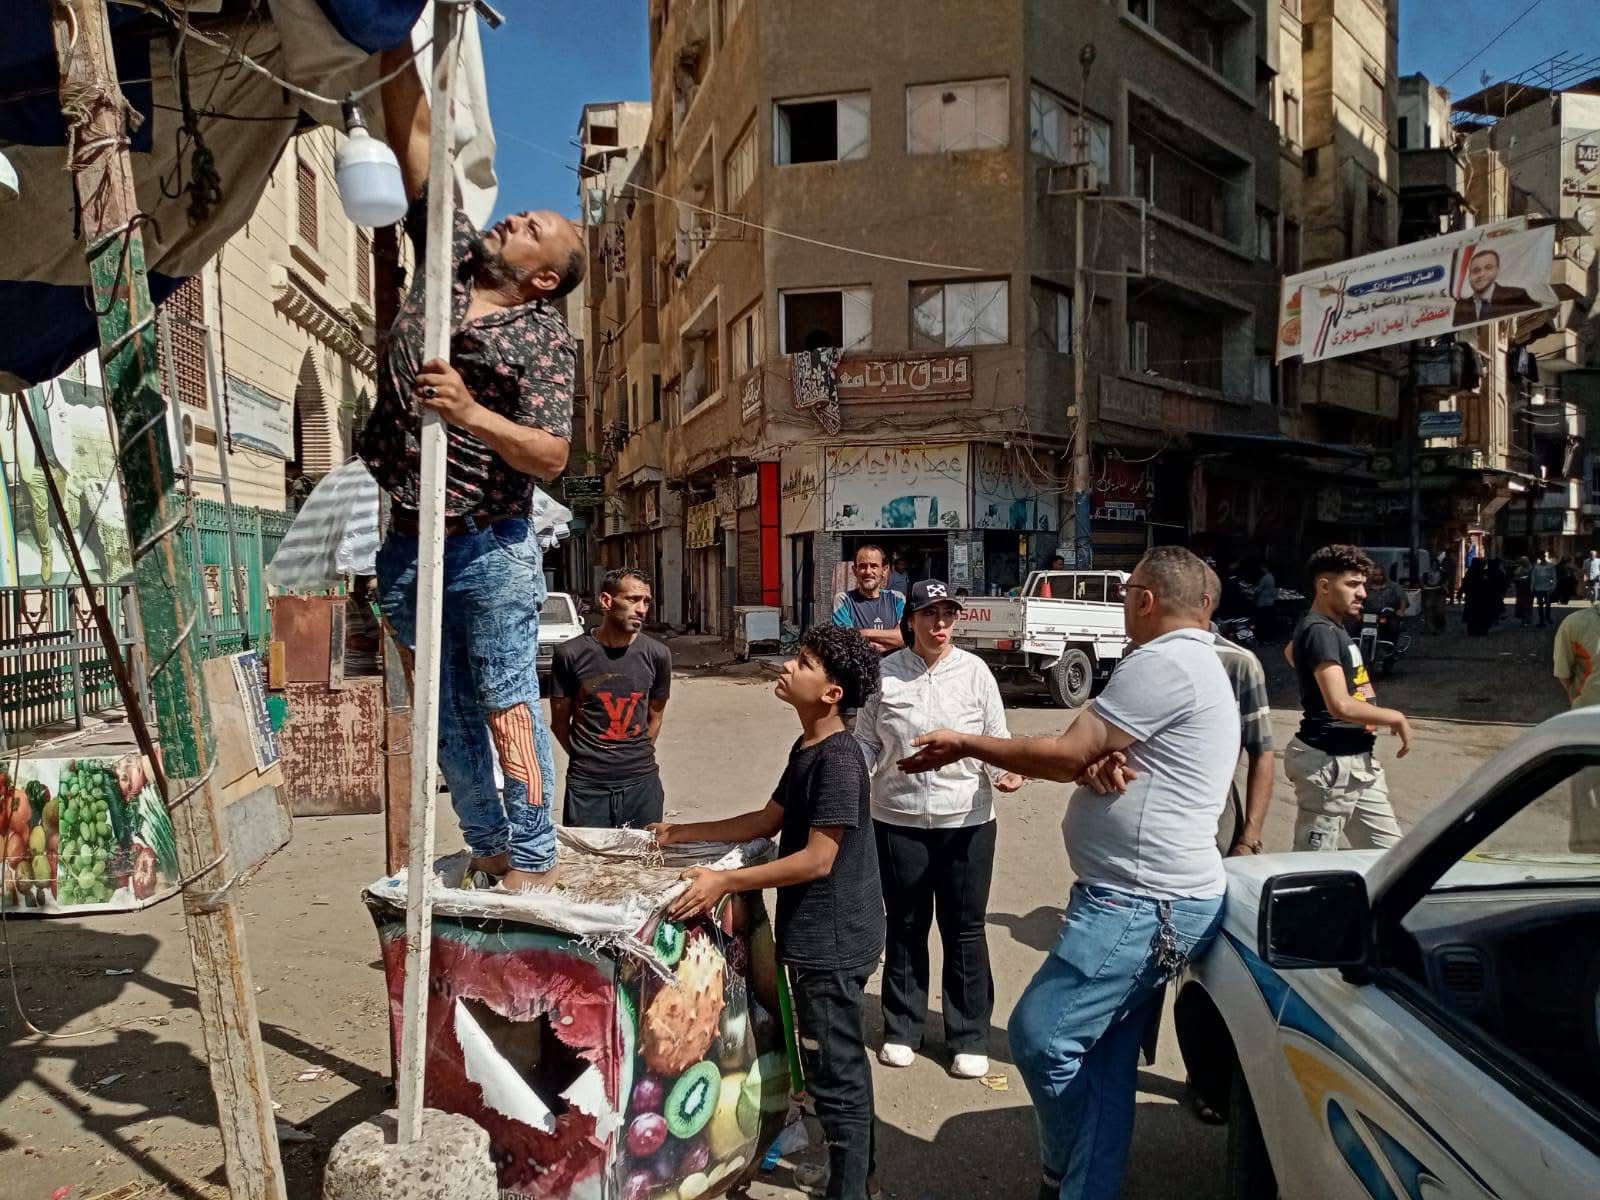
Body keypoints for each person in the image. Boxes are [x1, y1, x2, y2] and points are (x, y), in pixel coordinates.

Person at [899, 547, 1236, 1200]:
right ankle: (1080, 1184)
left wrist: (964, 743)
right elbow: (1108, 754)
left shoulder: (1165, 661)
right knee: (1104, 1058)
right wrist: (1097, 761)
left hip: (1143, 901)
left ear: (1144, 599)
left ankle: (1066, 1168)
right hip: (1145, 895)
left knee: (1041, 1036)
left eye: (1126, 594)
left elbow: (1065, 753)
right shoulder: (1190, 662)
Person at [359, 42, 586, 890]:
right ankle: (485, 843)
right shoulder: (449, 258)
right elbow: (420, 140)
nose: (516, 218)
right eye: (523, 214)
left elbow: (552, 454)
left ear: (544, 279)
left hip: (489, 546)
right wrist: (391, 40)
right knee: (444, 712)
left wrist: (470, 413)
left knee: (506, 700)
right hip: (407, 539)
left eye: (534, 229)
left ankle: (532, 856)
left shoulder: (544, 341)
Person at [651, 626, 884, 1200]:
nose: (787, 667)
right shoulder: (808, 747)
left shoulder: (839, 760)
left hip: (832, 941)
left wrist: (724, 882)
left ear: (831, 693)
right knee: (837, 1065)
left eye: (803, 663)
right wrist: (682, 834)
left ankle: (850, 1187)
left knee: (836, 1074)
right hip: (820, 934)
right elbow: (767, 819)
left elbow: (818, 860)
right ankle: (856, 1173)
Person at [853, 580, 1024, 1081]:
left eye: (948, 614)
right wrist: (847, 774)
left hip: (966, 822)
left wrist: (1006, 771)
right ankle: (903, 1027)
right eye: (929, 614)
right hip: (897, 819)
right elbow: (867, 741)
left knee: (965, 927)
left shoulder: (975, 673)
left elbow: (996, 738)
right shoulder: (884, 674)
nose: (940, 624)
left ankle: (969, 1034)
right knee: (905, 923)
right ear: (910, 620)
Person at [1284, 545, 1411, 852]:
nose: (1363, 593)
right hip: (1330, 762)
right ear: (1324, 586)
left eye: (1363, 584)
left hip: (1357, 760)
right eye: (1352, 584)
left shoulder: (1328, 628)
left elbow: (1291, 652)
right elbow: (1339, 705)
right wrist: (1395, 717)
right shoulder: (1320, 630)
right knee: (1313, 866)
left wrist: (1311, 673)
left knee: (1389, 857)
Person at [549, 569, 673, 829]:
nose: (641, 609)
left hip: (642, 784)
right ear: (606, 601)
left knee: (643, 853)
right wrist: (588, 759)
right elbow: (559, 723)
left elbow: (655, 716)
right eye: (632, 599)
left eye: (646, 601)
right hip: (587, 788)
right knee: (587, 853)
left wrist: (633, 756)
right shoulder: (570, 654)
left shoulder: (658, 655)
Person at [1554, 597, 1600, 851]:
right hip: (1587, 724)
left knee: (1587, 798)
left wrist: (1579, 699)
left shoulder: (1574, 624)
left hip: (1587, 725)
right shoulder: (1574, 624)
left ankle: (1589, 854)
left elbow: (1564, 674)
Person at [832, 544, 906, 655]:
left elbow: (906, 637)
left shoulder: (897, 599)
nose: (868, 571)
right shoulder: (843, 600)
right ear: (855, 571)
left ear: (884, 570)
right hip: (859, 666)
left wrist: (865, 633)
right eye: (862, 566)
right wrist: (893, 640)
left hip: (894, 666)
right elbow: (846, 641)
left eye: (874, 566)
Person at [1452, 248, 1536, 328]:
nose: (1481, 274)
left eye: (1488, 267)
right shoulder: (1461, 305)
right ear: (1469, 276)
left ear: (1497, 270)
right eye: (1476, 270)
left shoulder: (1518, 295)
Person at [1420, 560, 1447, 635]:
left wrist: (1443, 587)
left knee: (1439, 611)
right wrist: (1423, 586)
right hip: (1429, 592)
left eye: (1436, 565)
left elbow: (1445, 582)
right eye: (1433, 565)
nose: (1434, 566)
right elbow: (1422, 583)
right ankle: (1432, 629)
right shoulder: (1426, 573)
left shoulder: (1442, 573)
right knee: (1429, 611)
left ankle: (1438, 626)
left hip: (1439, 592)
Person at [1531, 552, 1557, 629]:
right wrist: (1532, 588)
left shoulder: (1550, 565)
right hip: (1538, 588)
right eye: (1540, 556)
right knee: (1540, 604)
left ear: (1544, 556)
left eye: (1542, 556)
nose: (1541, 557)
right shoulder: (1536, 567)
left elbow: (1554, 576)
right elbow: (1533, 578)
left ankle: (1547, 617)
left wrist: (1553, 586)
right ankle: (1541, 621)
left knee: (1548, 603)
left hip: (1548, 588)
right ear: (1539, 557)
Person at [1252, 561, 1277, 639]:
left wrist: (1254, 595)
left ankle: (1261, 637)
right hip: (1270, 602)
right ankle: (1267, 637)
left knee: (1261, 621)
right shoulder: (1272, 577)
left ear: (1265, 568)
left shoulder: (1265, 578)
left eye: (1262, 568)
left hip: (1263, 602)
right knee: (1267, 621)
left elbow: (1258, 590)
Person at [1512, 556, 1534, 627]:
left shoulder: (1532, 568)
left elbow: (1533, 578)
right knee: (1522, 605)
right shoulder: (1519, 569)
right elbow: (1515, 578)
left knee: (1529, 605)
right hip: (1521, 590)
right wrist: (1521, 578)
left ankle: (1528, 619)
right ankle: (1524, 620)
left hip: (1529, 590)